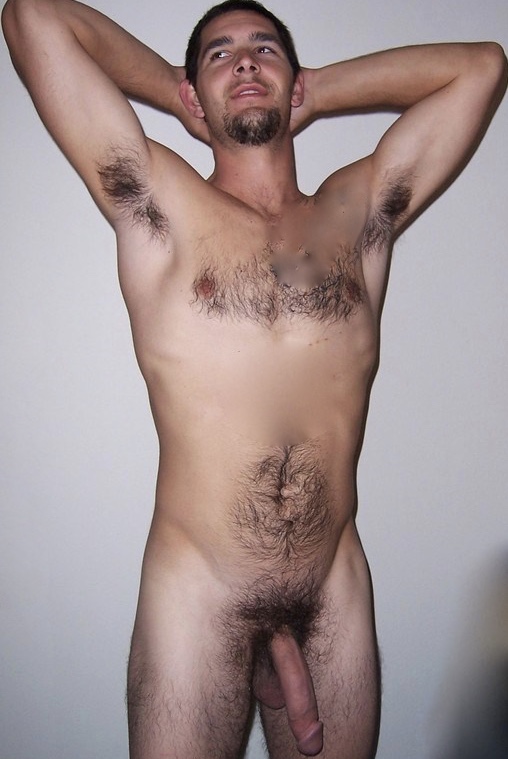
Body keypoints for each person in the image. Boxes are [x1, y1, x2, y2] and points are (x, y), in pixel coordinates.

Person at [2, 0, 506, 757]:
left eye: (265, 47)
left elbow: (482, 68)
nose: (244, 60)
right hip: (198, 598)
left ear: (292, 78)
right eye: (220, 53)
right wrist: (178, 91)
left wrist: (315, 89)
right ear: (193, 91)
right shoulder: (161, 204)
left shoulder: (356, 215)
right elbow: (31, 17)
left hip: (331, 591)